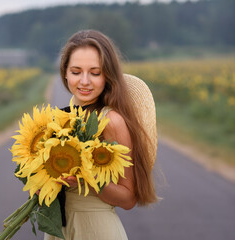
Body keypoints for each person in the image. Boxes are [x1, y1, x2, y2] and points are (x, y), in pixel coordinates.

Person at [44, 29, 158, 240]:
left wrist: (86, 179)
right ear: (65, 73)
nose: (84, 81)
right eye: (76, 71)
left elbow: (128, 198)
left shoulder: (111, 121)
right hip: (59, 230)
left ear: (107, 75)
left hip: (96, 230)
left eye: (95, 73)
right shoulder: (59, 119)